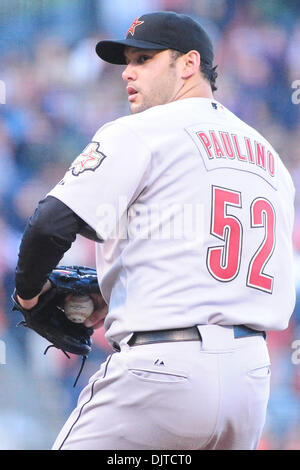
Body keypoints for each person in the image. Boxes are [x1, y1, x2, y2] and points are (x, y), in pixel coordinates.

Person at [14, 11, 296, 450]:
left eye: (144, 58)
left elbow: (49, 225)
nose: (127, 71)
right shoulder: (271, 159)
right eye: (126, 60)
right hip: (251, 380)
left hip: (162, 370)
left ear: (188, 64)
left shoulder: (142, 131)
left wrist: (28, 296)